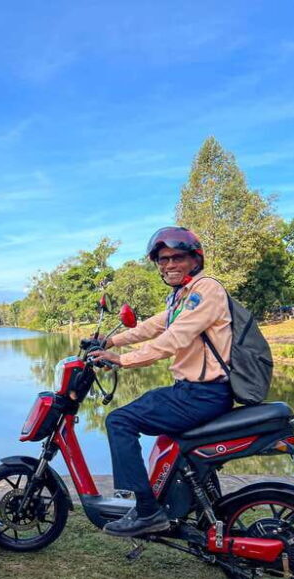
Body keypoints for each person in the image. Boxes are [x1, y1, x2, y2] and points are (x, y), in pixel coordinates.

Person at [88, 226, 233, 537]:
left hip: (202, 394)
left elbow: (174, 338)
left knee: (119, 421)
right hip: (191, 391)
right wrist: (110, 341)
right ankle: (191, 503)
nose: (169, 265)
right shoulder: (182, 296)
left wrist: (123, 359)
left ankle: (146, 511)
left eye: (177, 257)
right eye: (162, 259)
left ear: (196, 259)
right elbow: (154, 326)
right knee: (158, 428)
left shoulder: (206, 290)